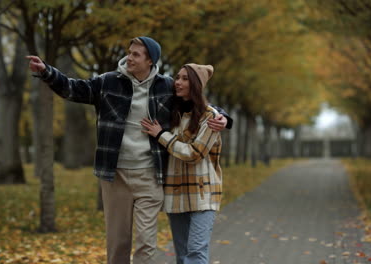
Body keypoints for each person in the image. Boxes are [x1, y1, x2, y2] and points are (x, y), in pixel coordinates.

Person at [27, 37, 231, 264]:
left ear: (150, 61)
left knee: (146, 242)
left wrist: (224, 118)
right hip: (116, 175)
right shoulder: (108, 82)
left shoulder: (165, 86)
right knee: (118, 242)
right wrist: (47, 72)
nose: (129, 57)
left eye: (136, 54)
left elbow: (196, 102)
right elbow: (74, 89)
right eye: (129, 52)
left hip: (150, 175)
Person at [141, 63, 222, 264]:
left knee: (195, 252)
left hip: (203, 194)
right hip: (176, 195)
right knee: (182, 256)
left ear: (196, 84)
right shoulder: (172, 114)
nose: (178, 82)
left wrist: (161, 135)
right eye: (177, 77)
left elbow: (194, 153)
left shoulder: (210, 116)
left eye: (185, 78)